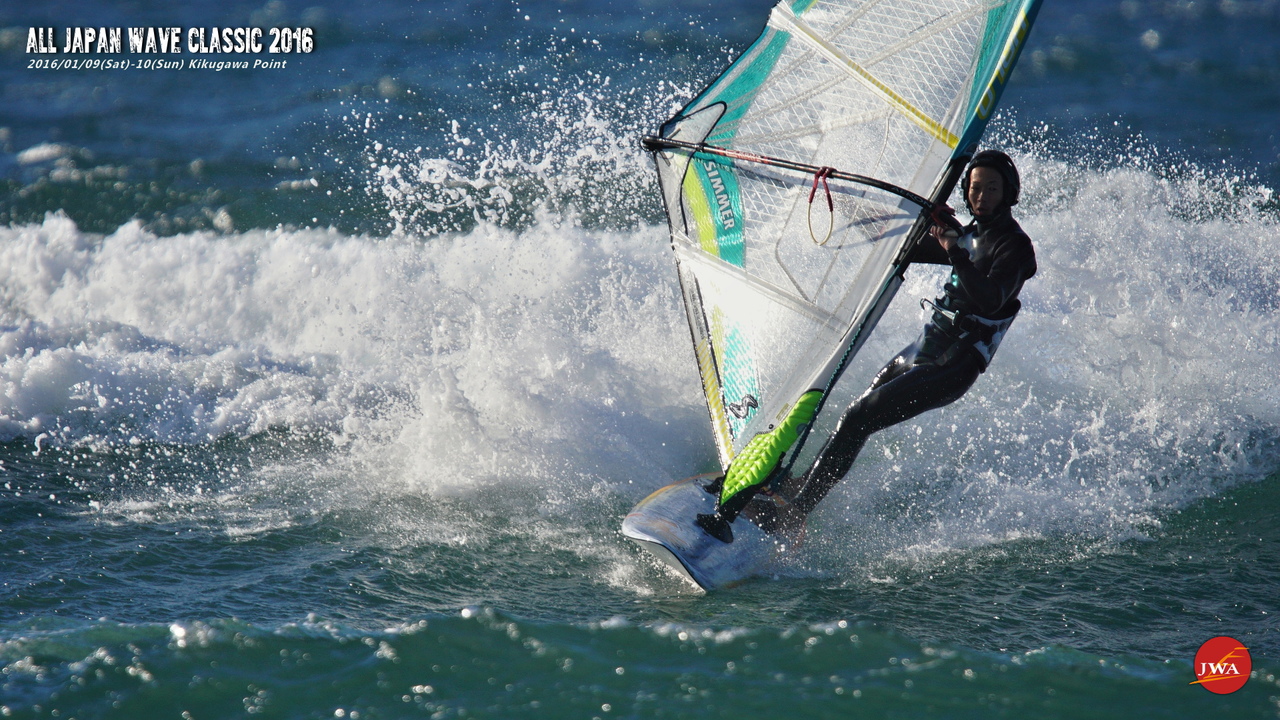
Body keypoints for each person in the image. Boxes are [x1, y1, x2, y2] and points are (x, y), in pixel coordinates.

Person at [782, 149, 1038, 516]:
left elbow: (991, 298)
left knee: (858, 417)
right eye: (975, 188)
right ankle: (802, 487)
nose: (982, 197)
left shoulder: (1014, 246)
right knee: (856, 414)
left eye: (992, 189)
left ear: (1009, 193)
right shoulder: (965, 235)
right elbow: (899, 242)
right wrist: (844, 200)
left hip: (955, 363)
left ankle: (796, 513)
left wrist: (954, 251)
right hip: (927, 345)